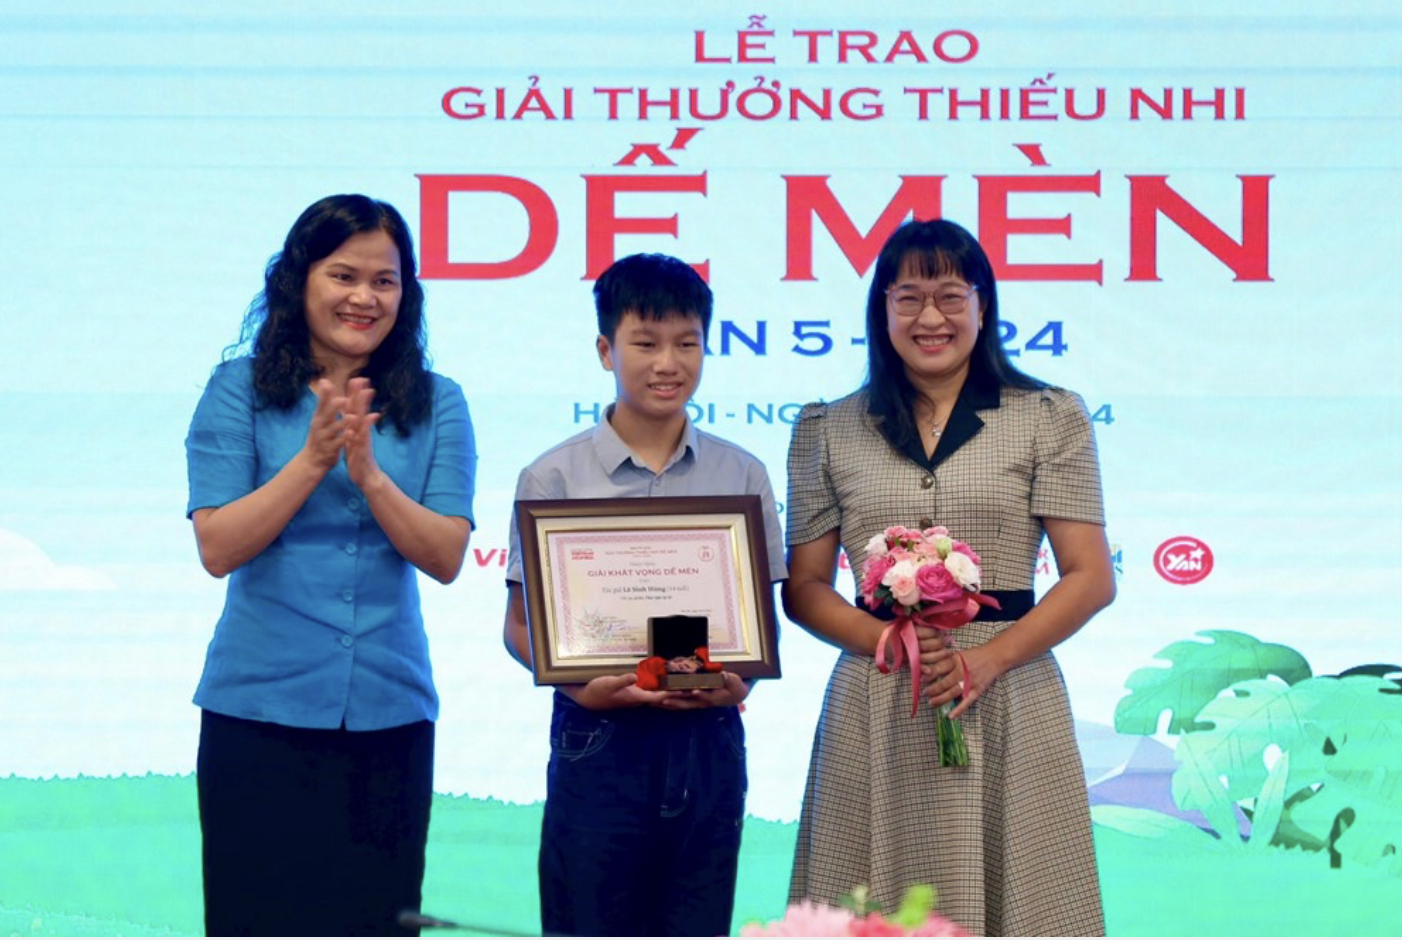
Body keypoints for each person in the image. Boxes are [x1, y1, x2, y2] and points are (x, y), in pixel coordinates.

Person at [782, 219, 1114, 936]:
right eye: (908, 298)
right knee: (867, 893)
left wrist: (984, 661)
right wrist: (888, 640)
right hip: (878, 692)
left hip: (1010, 688)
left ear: (983, 305)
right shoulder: (829, 428)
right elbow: (804, 586)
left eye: (949, 296)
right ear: (882, 310)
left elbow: (1090, 578)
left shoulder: (1048, 417)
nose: (929, 317)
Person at [185, 194, 476, 936]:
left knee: (377, 922)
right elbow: (219, 547)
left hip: (390, 711)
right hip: (257, 713)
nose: (364, 297)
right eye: (343, 275)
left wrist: (372, 477)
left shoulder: (439, 403)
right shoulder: (238, 391)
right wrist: (314, 459)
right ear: (299, 280)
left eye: (385, 280)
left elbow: (445, 556)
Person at [501, 253, 787, 938]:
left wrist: (738, 677)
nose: (669, 363)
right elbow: (518, 626)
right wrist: (579, 687)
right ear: (606, 350)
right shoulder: (553, 477)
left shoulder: (740, 471)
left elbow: (759, 624)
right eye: (647, 342)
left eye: (688, 343)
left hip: (707, 742)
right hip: (599, 740)